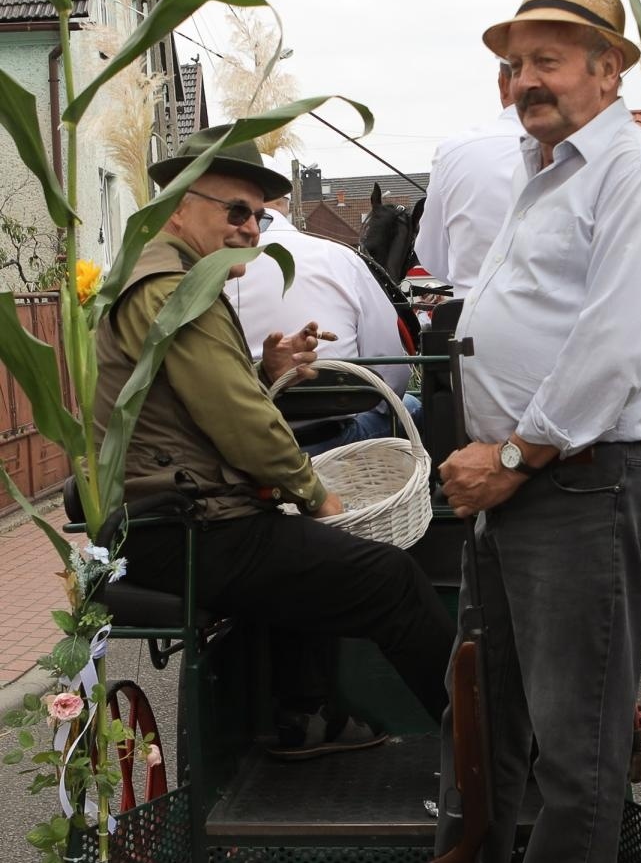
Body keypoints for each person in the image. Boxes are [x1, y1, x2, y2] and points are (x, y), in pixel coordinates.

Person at [346, 0, 641, 863]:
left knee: (571, 734)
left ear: (609, 68)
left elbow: (615, 344)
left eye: (549, 58)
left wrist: (509, 450)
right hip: (524, 478)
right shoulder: (540, 171)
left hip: (582, 480)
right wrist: (494, 454)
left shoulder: (639, 176)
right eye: (513, 62)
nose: (524, 79)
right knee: (484, 717)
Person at [93, 127, 454, 756]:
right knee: (391, 579)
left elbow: (194, 402)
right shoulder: (175, 291)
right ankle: (489, 756)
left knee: (302, 550)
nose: (250, 230)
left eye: (258, 216)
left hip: (176, 517)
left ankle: (301, 716)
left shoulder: (171, 278)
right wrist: (314, 493)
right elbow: (236, 420)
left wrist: (265, 370)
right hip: (186, 527)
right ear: (179, 204)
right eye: (235, 211)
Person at [228, 194, 422, 455]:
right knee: (413, 406)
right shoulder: (341, 257)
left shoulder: (205, 269)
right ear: (285, 204)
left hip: (238, 445)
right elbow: (392, 376)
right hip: (333, 442)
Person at [414, 61, 523, 300]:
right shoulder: (608, 150)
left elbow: (432, 255)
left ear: (503, 83)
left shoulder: (454, 151)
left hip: (478, 324)